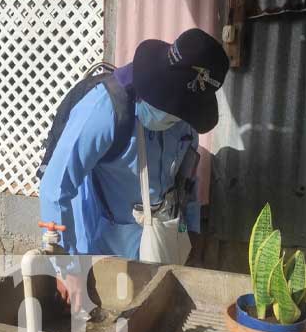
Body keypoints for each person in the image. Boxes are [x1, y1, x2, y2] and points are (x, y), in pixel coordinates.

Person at [39, 28, 229, 310]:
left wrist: (190, 234)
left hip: (156, 238)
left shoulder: (187, 121)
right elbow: (55, 188)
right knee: (101, 319)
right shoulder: (106, 109)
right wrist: (64, 267)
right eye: (170, 108)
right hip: (102, 238)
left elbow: (185, 183)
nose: (174, 118)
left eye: (181, 111)